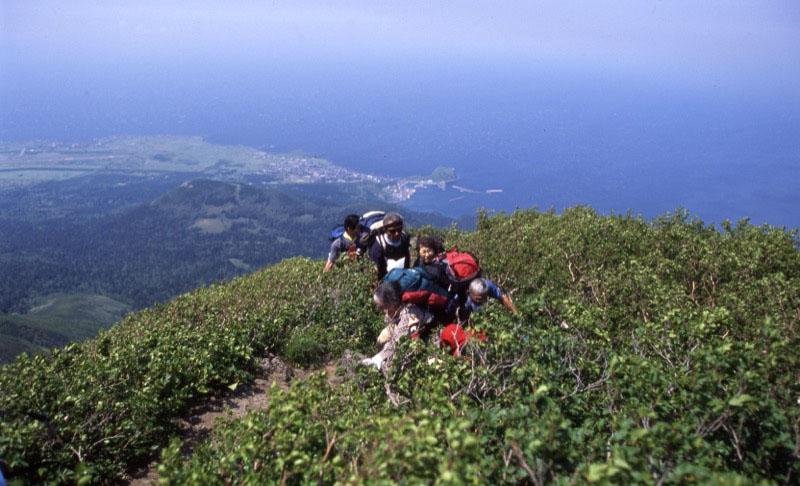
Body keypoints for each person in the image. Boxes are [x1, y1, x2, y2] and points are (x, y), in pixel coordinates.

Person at [362, 281, 434, 374]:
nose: (381, 310)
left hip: (425, 337)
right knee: (384, 336)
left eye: (382, 307)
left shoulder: (408, 313)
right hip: (408, 334)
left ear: (391, 302)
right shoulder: (393, 310)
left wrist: (379, 357)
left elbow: (398, 341)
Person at [369, 212, 411, 281]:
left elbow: (407, 261)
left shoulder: (404, 239)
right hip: (384, 280)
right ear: (385, 230)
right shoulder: (378, 246)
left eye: (399, 230)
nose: (397, 233)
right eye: (392, 231)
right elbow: (375, 269)